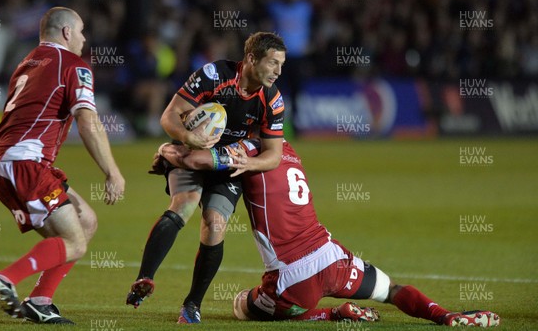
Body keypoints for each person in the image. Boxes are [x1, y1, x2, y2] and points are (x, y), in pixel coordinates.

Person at [150, 140, 500, 327]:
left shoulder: (246, 151)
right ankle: (443, 314)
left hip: (294, 278)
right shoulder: (288, 151)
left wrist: (168, 151)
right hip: (334, 256)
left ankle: (330, 314)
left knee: (241, 305)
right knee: (391, 290)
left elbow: (197, 162)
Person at [0, 7, 125, 324]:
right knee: (75, 242)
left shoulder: (28, 62)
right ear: (67, 32)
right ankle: (5, 278)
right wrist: (112, 171)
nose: (85, 39)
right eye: (82, 31)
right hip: (26, 164)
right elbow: (87, 120)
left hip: (2, 164)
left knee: (86, 222)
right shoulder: (72, 65)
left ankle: (40, 301)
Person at [126, 32, 286, 323]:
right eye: (273, 63)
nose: (278, 71)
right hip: (191, 152)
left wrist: (248, 163)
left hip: (227, 165)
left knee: (215, 224)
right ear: (251, 59)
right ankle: (144, 279)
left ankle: (191, 305)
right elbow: (170, 115)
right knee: (184, 203)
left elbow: (274, 155)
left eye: (281, 65)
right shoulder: (214, 76)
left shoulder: (272, 100)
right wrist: (187, 136)